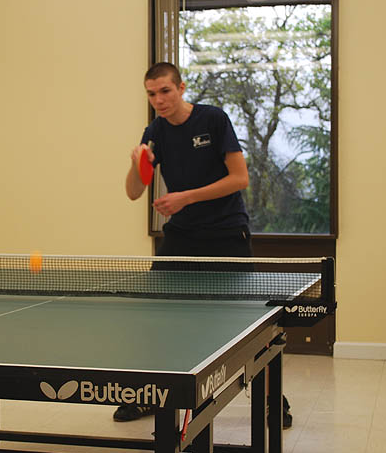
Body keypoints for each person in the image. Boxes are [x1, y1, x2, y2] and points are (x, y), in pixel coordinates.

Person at [117, 62, 292, 428]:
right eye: (151, 94)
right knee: (154, 316)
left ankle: (274, 402)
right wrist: (139, 165)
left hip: (226, 233)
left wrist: (185, 198)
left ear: (181, 87)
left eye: (165, 91)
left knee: (248, 323)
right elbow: (135, 192)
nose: (159, 100)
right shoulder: (155, 132)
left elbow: (240, 178)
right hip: (182, 236)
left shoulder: (213, 120)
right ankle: (150, 396)